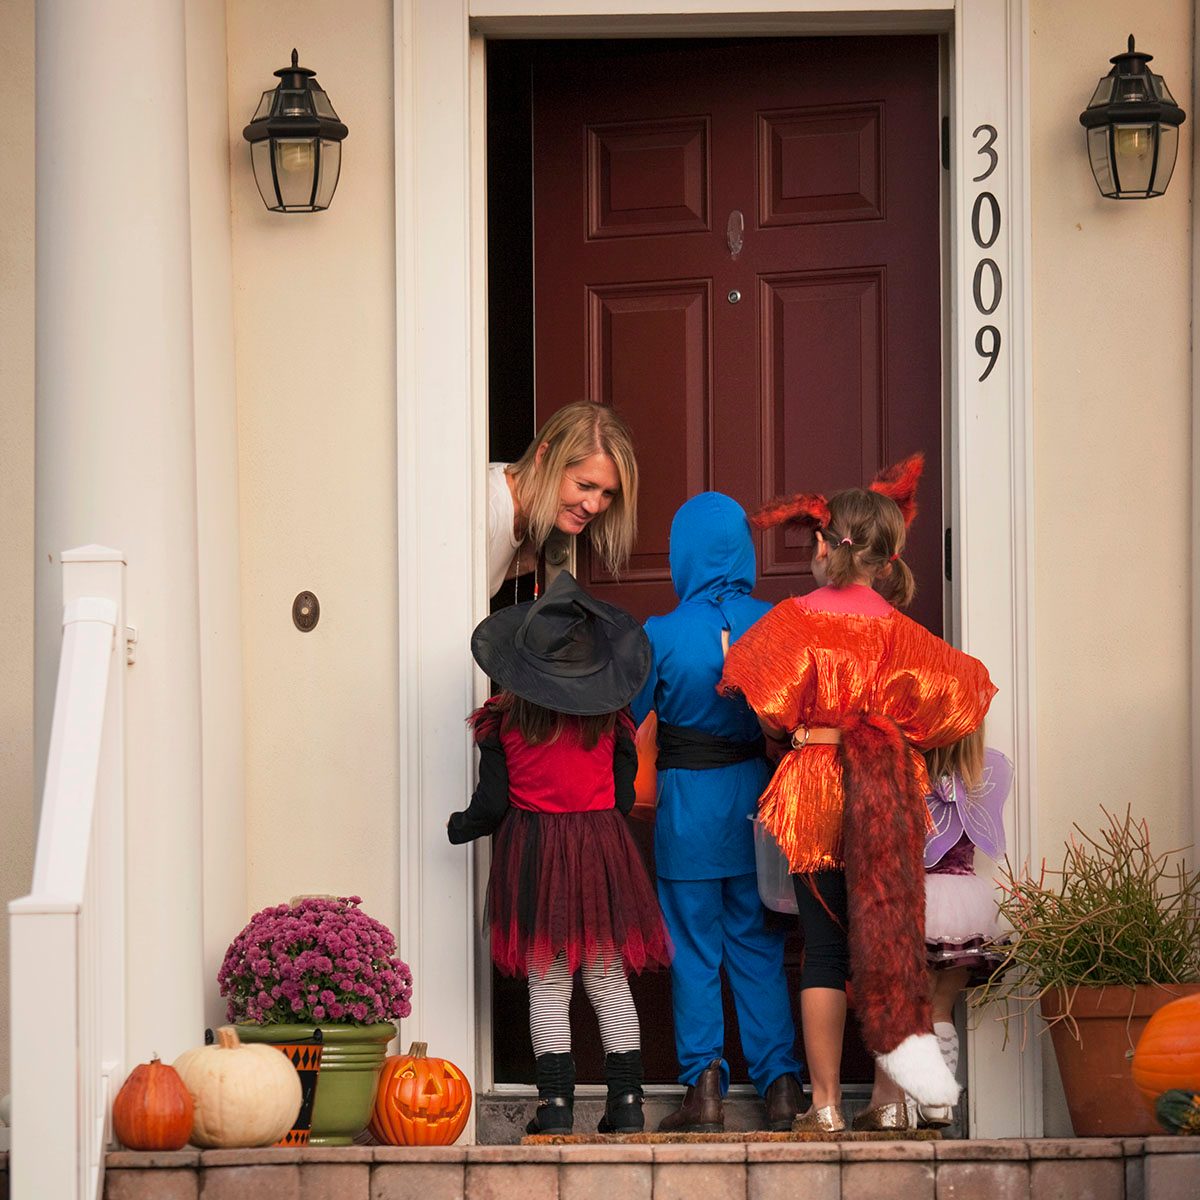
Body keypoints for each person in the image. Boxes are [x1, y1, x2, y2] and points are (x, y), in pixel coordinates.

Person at [719, 454, 996, 1133]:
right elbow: (964, 695)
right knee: (887, 943)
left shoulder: (792, 620)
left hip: (814, 792)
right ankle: (890, 1103)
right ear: (887, 551)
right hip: (888, 794)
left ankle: (824, 1107)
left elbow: (764, 709)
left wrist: (817, 730)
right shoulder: (905, 634)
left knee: (825, 949)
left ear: (823, 545)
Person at [447, 570, 671, 1135]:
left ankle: (556, 1107)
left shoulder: (502, 724)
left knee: (547, 980)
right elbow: (623, 797)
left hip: (534, 853)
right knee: (606, 974)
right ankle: (626, 1105)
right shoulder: (611, 721)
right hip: (600, 851)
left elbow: (493, 802)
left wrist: (461, 826)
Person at [630, 492, 803, 1133]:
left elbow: (634, 715)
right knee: (758, 947)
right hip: (760, 805)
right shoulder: (778, 623)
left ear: (681, 554)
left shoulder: (661, 633)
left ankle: (703, 1092)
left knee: (694, 952)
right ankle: (782, 1088)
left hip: (687, 813)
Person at [919, 729, 1014, 1127]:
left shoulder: (912, 777)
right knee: (942, 1007)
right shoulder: (984, 772)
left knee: (914, 1008)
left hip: (922, 901)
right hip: (967, 902)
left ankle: (911, 1098)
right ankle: (940, 1101)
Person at [488, 401, 639, 600]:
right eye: (584, 486)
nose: (594, 506)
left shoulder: (522, 514)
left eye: (608, 493)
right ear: (543, 456)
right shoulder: (488, 507)